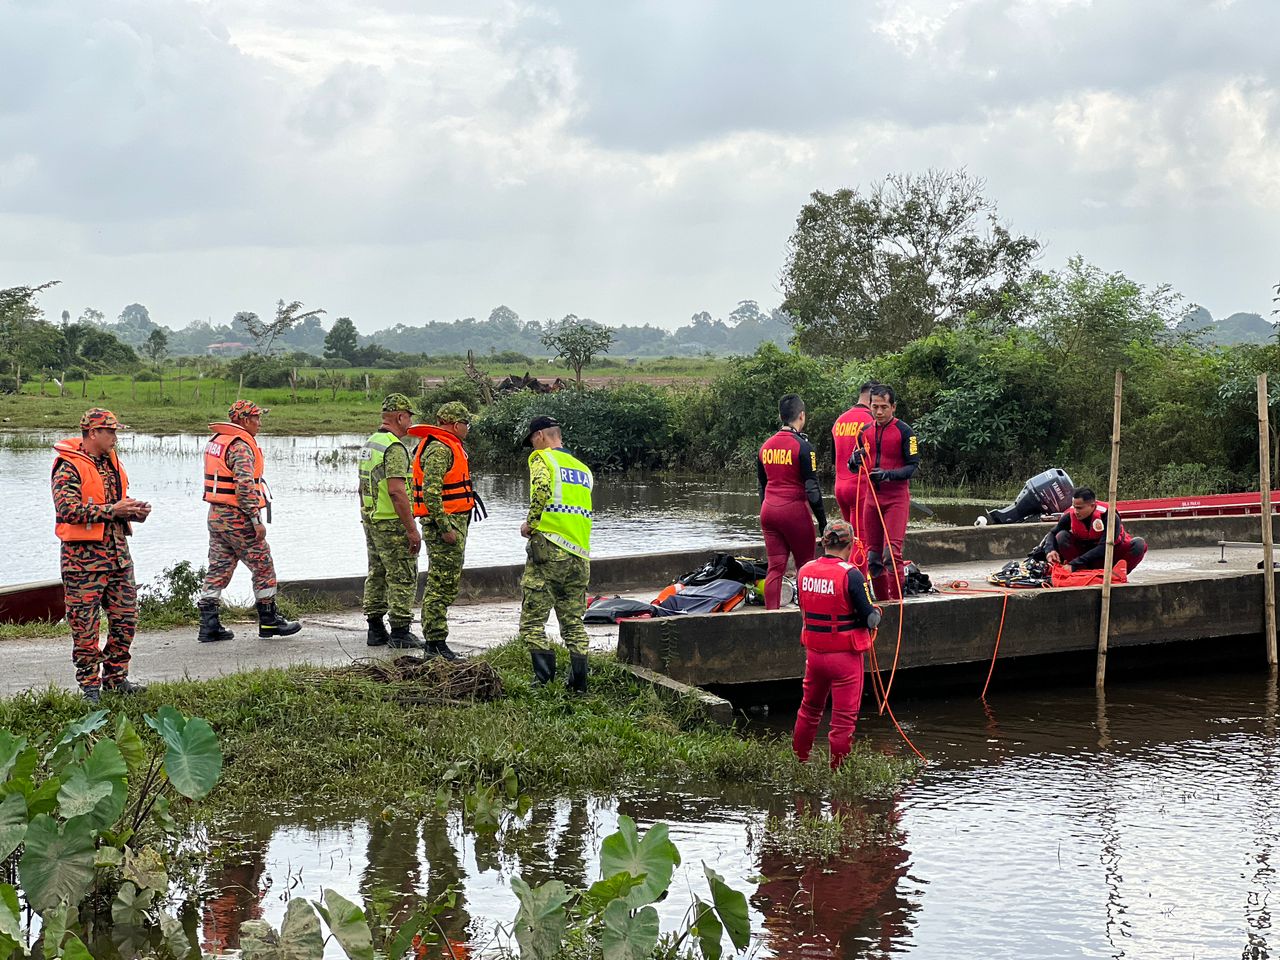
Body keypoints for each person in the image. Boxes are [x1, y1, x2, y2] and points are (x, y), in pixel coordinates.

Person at [51, 408, 152, 702]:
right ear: (93, 433)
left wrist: (133, 512)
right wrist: (112, 510)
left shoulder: (110, 465)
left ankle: (116, 679)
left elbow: (115, 509)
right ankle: (89, 686)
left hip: (119, 558)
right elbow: (67, 511)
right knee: (85, 627)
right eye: (111, 432)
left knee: (126, 621)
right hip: (83, 563)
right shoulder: (67, 467)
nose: (116, 438)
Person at [197, 399, 300, 641]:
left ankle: (208, 626)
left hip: (216, 515)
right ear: (244, 420)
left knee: (218, 567)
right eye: (256, 418)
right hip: (237, 517)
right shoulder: (240, 445)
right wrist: (255, 519)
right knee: (262, 564)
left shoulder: (218, 442)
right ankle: (269, 621)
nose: (260, 423)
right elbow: (244, 486)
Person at [792, 519, 881, 769]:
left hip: (815, 655)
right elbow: (870, 617)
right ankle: (839, 774)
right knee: (843, 720)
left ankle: (799, 762)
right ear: (851, 544)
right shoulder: (851, 574)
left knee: (808, 711)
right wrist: (877, 614)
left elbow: (804, 608)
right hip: (845, 658)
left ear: (823, 542)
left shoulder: (804, 570)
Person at [517, 414, 593, 692]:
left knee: (532, 623)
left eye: (532, 442)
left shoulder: (542, 459)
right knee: (572, 621)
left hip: (549, 551)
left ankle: (543, 680)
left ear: (539, 436)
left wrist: (531, 523)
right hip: (580, 555)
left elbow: (541, 489)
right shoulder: (582, 468)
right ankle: (579, 684)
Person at [408, 401, 481, 660]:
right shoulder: (440, 448)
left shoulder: (442, 445)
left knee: (445, 583)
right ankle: (435, 643)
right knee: (441, 585)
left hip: (452, 521)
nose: (468, 429)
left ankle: (435, 641)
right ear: (455, 424)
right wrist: (445, 527)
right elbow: (430, 492)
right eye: (467, 424)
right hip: (445, 526)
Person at [359, 393, 424, 650]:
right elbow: (397, 491)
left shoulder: (370, 443)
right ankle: (400, 631)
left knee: (377, 572)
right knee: (403, 576)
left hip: (371, 519)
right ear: (400, 416)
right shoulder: (394, 448)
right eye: (408, 417)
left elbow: (361, 486)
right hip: (391, 522)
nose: (410, 423)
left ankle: (375, 629)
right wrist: (412, 530)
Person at [757, 394, 827, 609]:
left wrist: (766, 511)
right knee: (805, 566)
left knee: (775, 567)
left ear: (781, 416)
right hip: (794, 510)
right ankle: (809, 615)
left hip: (768, 511)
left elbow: (762, 485)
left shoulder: (765, 447)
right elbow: (812, 489)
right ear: (802, 416)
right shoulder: (804, 447)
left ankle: (770, 615)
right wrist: (823, 523)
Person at [858, 385, 920, 602]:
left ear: (893, 407)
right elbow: (855, 464)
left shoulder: (905, 432)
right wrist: (853, 461)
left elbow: (913, 467)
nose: (879, 412)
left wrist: (888, 475)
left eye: (884, 407)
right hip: (871, 499)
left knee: (891, 555)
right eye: (875, 406)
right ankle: (883, 602)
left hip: (896, 499)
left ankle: (898, 602)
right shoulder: (863, 432)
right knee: (873, 557)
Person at [1032, 486, 1148, 572]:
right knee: (1061, 536)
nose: (1076, 512)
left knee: (1139, 544)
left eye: (1080, 508)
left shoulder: (1110, 516)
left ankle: (1117, 574)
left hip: (1109, 553)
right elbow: (1052, 533)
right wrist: (1050, 551)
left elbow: (1104, 547)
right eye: (1074, 507)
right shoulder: (1070, 516)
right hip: (1084, 556)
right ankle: (1080, 571)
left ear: (1092, 506)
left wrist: (1075, 563)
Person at [832, 381, 877, 537]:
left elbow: (834, 458)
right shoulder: (871, 421)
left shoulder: (839, 421)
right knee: (862, 540)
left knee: (850, 539)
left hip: (840, 487)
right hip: (860, 487)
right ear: (872, 398)